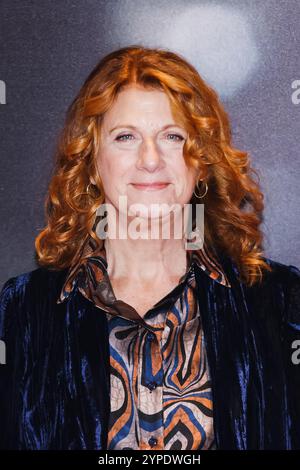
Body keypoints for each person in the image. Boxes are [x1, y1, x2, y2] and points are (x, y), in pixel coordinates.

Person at [0, 45, 299, 451]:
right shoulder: (20, 313)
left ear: (201, 161)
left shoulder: (280, 304)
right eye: (126, 137)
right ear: (90, 160)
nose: (151, 159)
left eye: (172, 136)